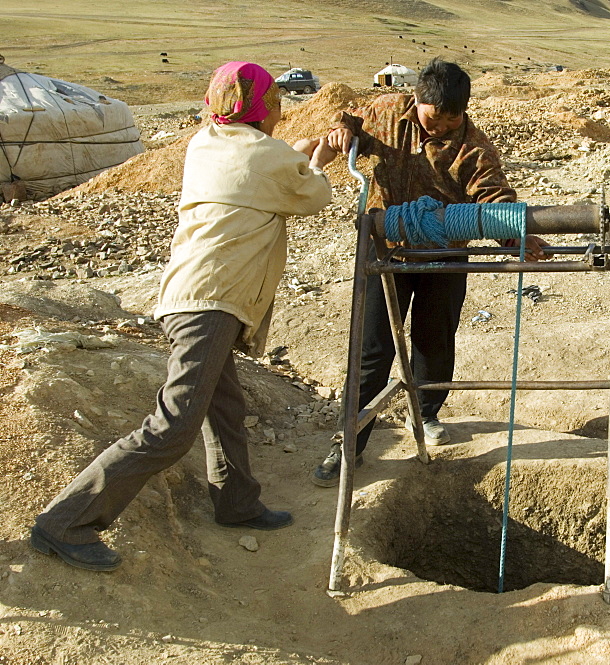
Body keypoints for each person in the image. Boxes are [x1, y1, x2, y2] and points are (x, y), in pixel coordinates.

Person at [31, 61, 336, 571]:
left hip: (189, 297)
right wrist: (319, 160)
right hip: (210, 305)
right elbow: (314, 194)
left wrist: (296, 158)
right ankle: (64, 522)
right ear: (265, 108)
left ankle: (236, 502)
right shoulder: (265, 155)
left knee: (226, 405)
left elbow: (268, 170)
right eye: (276, 104)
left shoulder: (207, 143)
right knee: (172, 428)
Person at [312, 58, 547, 487]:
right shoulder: (384, 114)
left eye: (450, 120)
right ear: (418, 100)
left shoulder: (474, 146)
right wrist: (339, 136)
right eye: (433, 118)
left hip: (444, 256)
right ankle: (350, 441)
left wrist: (519, 233)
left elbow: (493, 198)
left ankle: (426, 413)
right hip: (386, 251)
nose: (440, 128)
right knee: (372, 349)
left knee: (434, 339)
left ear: (464, 111)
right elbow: (342, 131)